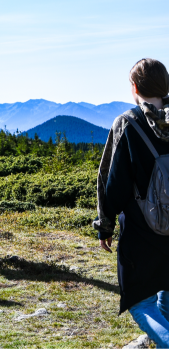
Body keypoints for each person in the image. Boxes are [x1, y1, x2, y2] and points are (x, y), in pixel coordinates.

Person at [96, 58, 169, 347]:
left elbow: (113, 183)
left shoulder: (127, 123)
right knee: (166, 294)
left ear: (135, 88)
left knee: (140, 303)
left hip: (141, 231)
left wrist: (105, 225)